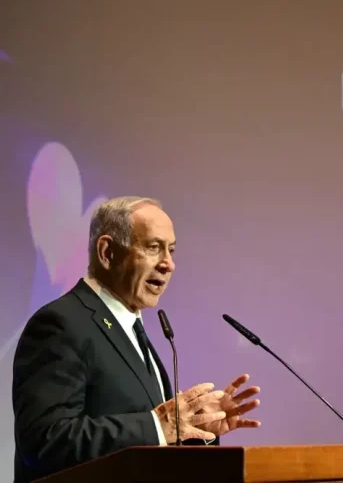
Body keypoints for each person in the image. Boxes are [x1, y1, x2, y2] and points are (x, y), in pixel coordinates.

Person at [12, 196, 261, 482]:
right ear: (107, 252)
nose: (169, 264)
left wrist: (196, 428)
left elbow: (148, 446)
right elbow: (45, 440)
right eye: (153, 248)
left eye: (172, 250)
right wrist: (158, 424)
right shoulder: (61, 324)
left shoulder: (132, 329)